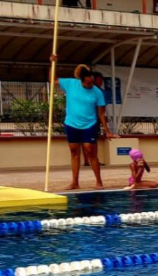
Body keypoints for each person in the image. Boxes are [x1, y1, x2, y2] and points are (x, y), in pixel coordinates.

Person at [50, 55, 118, 190]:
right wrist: (53, 64)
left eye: (92, 82)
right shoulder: (70, 84)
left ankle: (99, 182)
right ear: (81, 80)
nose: (90, 85)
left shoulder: (97, 92)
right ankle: (75, 182)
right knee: (74, 152)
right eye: (88, 83)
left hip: (89, 124)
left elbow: (101, 114)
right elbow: (53, 80)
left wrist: (107, 131)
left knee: (90, 150)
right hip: (71, 124)